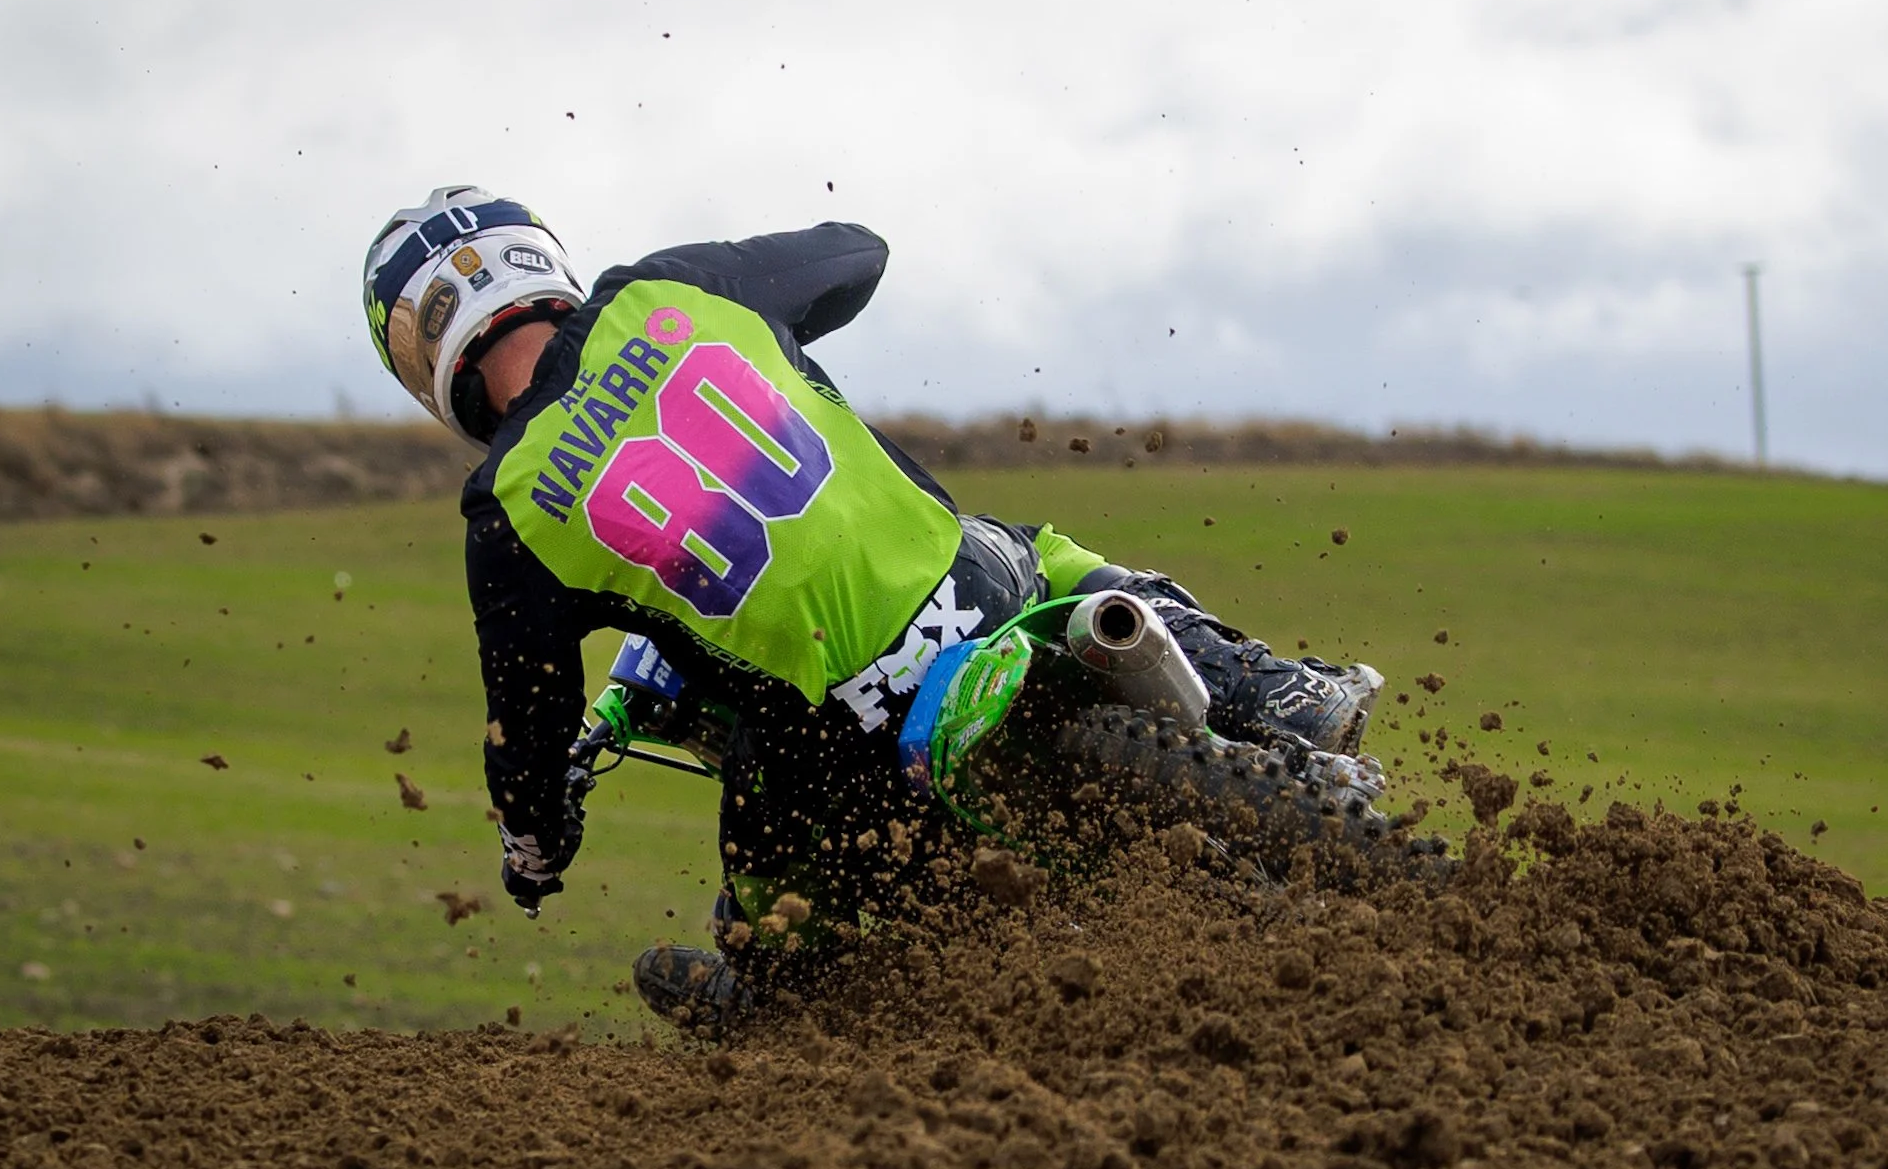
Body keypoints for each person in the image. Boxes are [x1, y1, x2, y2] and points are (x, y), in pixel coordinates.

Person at [361, 185, 1385, 1028]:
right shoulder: (671, 291)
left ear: (426, 356)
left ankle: (788, 1002)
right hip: (979, 588)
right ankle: (1281, 693)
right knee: (1060, 562)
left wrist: (534, 846)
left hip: (836, 749)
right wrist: (775, 326)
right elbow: (855, 251)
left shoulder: (505, 511)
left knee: (766, 903)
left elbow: (528, 723)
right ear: (538, 259)